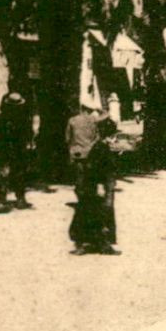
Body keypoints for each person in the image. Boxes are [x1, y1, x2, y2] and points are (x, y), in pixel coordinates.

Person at [65, 101, 104, 254]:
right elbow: (98, 136)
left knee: (79, 178)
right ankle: (88, 195)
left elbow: (67, 138)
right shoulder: (94, 120)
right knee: (90, 179)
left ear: (81, 108)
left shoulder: (72, 120)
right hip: (91, 154)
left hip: (77, 154)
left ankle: (81, 196)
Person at [0, 90, 34, 208]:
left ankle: (2, 200)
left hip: (4, 149)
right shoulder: (24, 119)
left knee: (3, 173)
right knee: (19, 173)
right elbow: (29, 134)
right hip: (19, 150)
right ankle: (20, 199)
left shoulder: (0, 118)